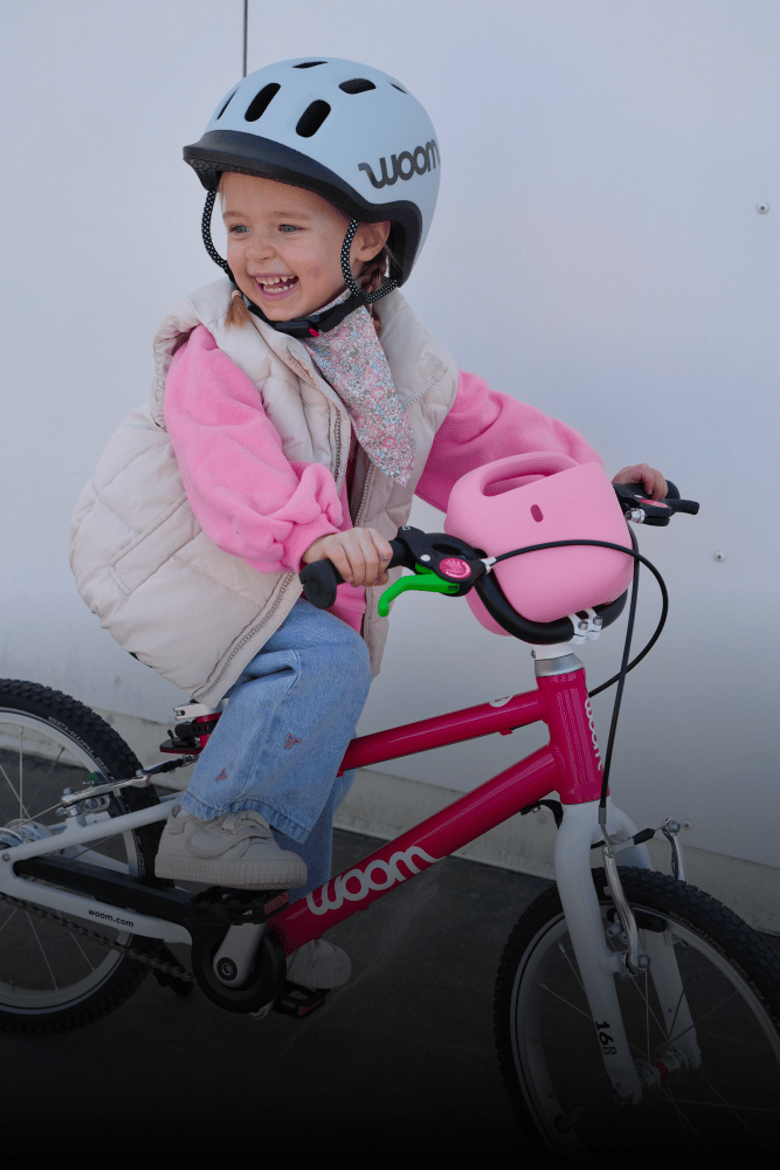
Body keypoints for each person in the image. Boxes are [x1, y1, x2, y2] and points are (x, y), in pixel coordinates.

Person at [69, 58, 666, 992]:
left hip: (284, 566)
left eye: (287, 226)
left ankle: (269, 935)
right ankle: (213, 828)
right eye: (237, 225)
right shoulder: (214, 348)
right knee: (326, 665)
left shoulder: (385, 347)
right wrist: (311, 533)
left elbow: (470, 430)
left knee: (319, 758)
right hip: (178, 559)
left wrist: (588, 477)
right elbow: (233, 474)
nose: (255, 252)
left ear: (373, 237)